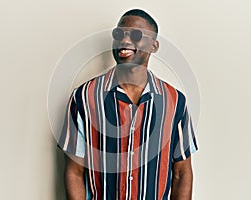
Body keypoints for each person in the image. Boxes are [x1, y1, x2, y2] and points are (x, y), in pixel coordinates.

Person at [58, 9, 198, 200]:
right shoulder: (84, 97)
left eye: (136, 34)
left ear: (154, 46)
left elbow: (182, 173)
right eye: (119, 34)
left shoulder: (175, 102)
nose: (124, 40)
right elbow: (74, 172)